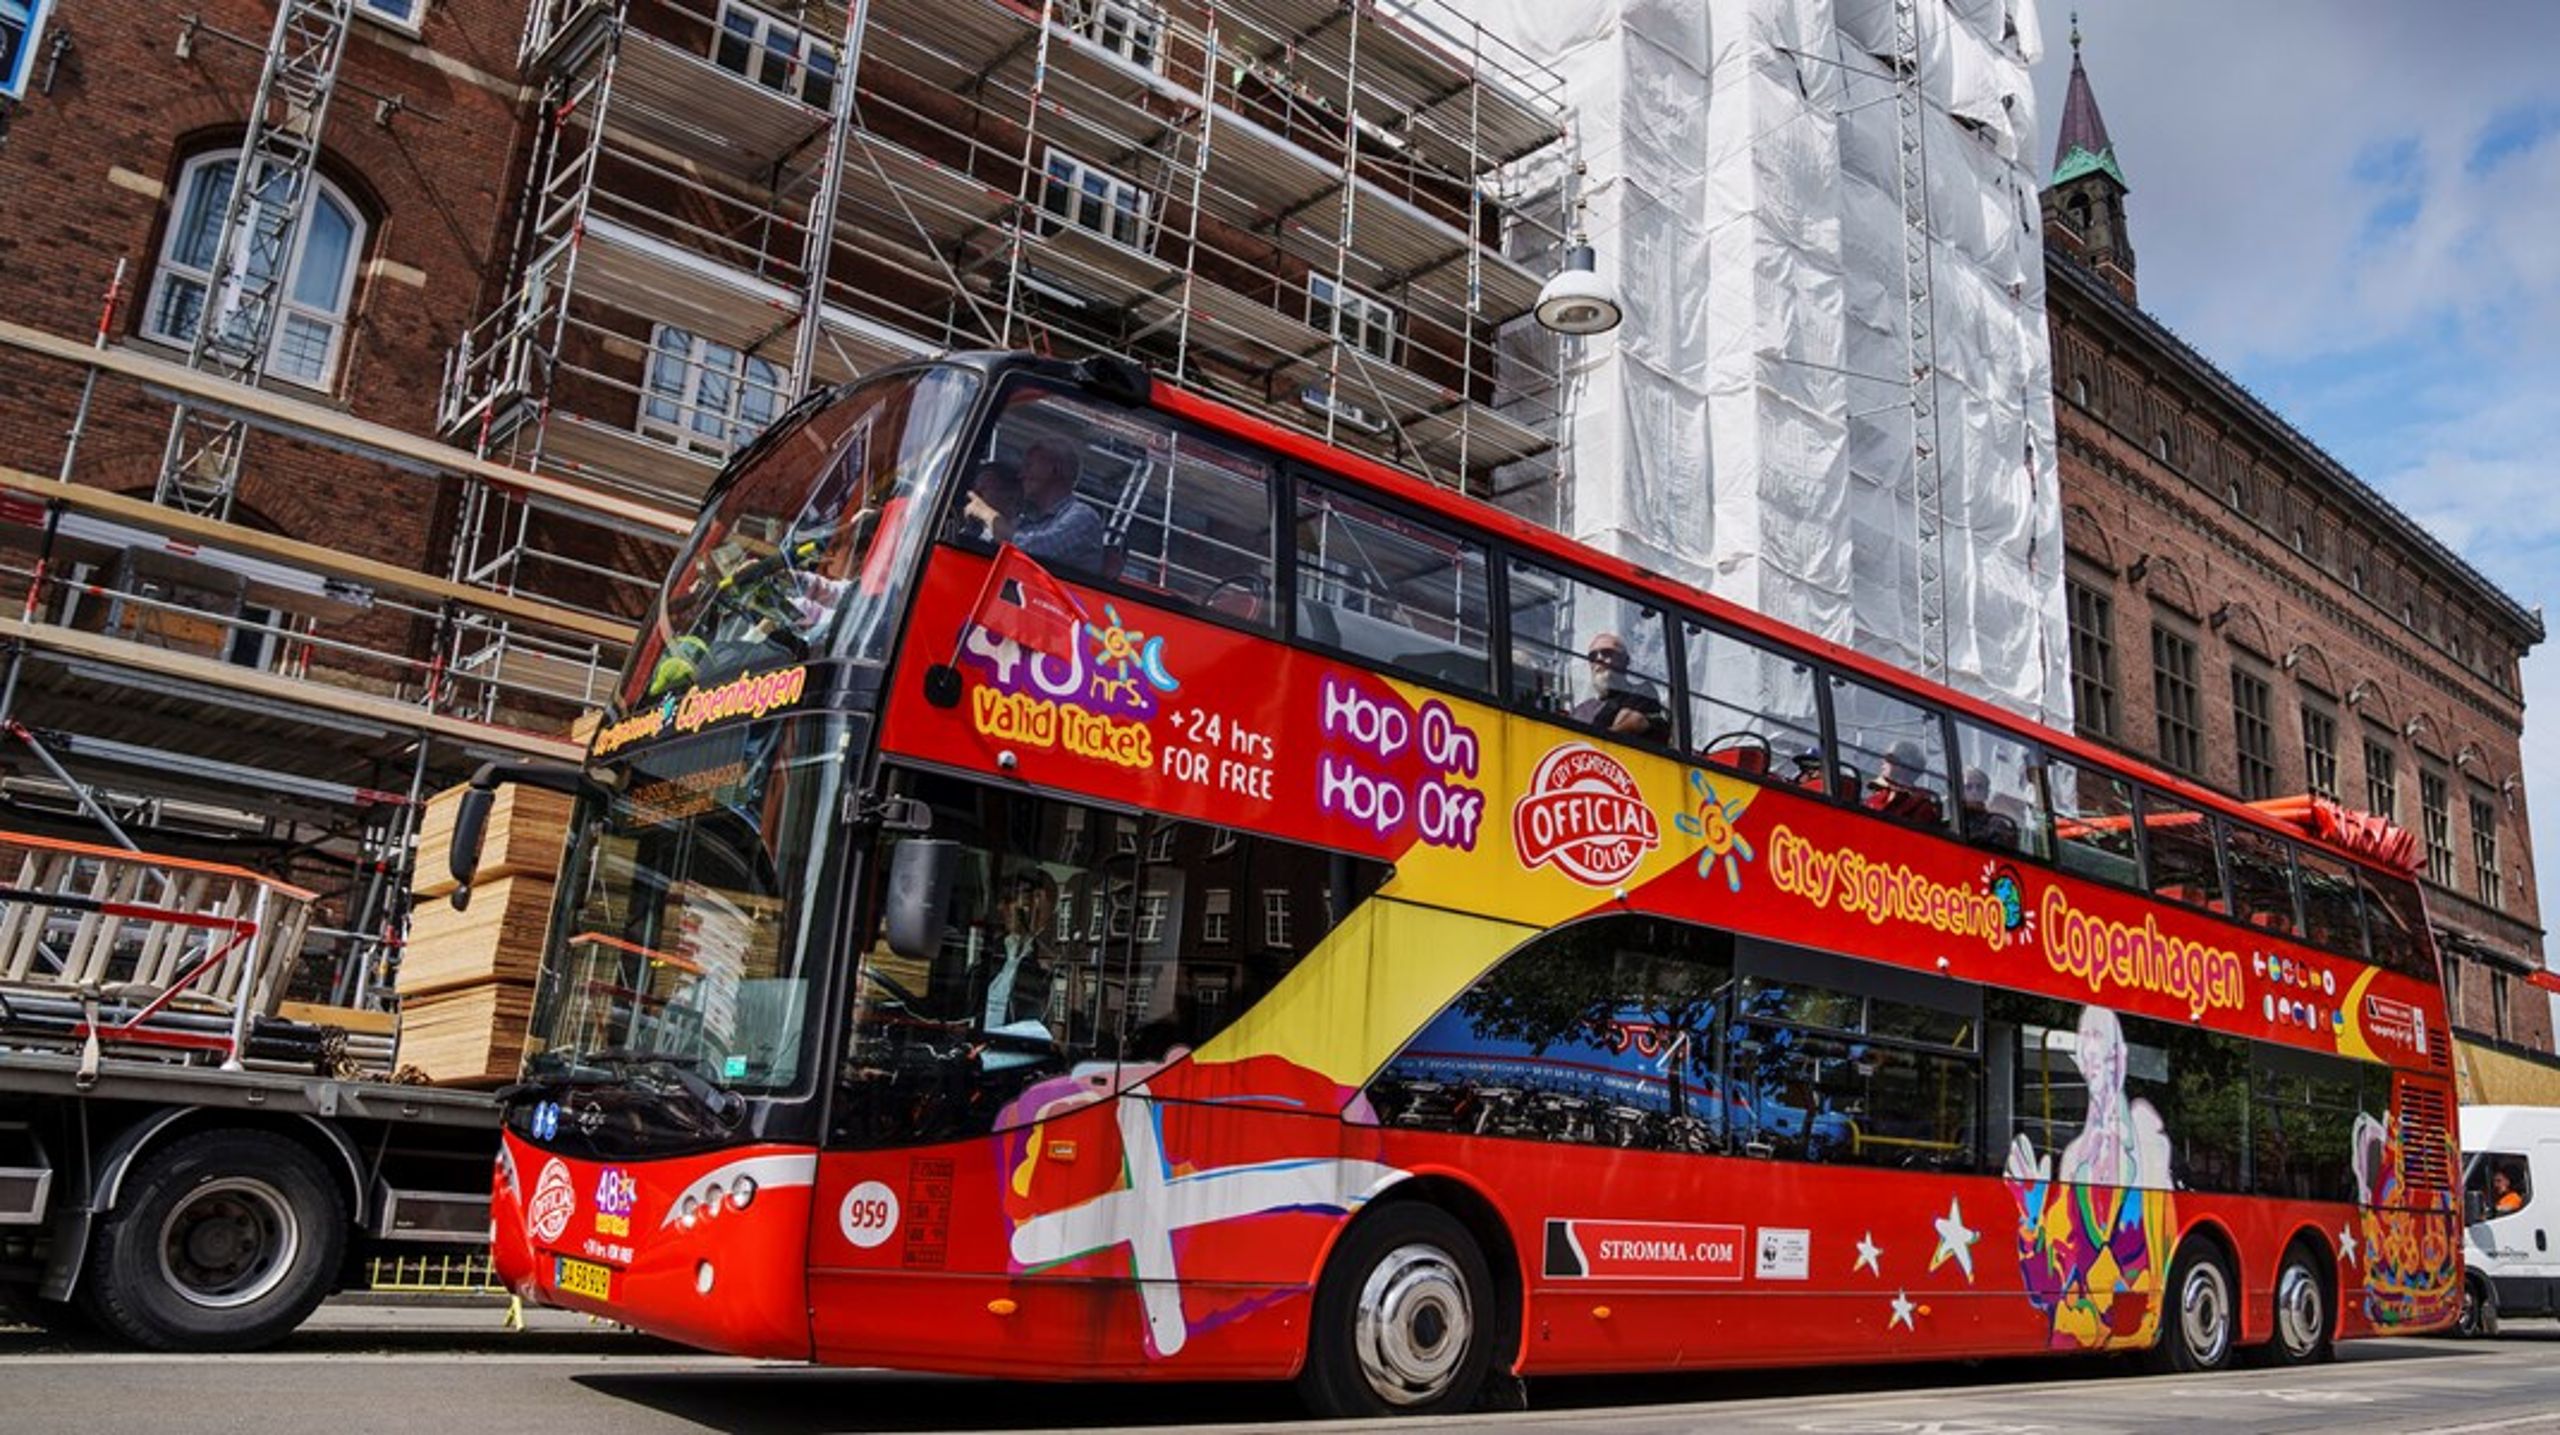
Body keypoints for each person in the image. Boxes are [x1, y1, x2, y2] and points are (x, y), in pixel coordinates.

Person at [1005, 437, 1110, 576]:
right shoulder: (1028, 519)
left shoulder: (1083, 517)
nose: (1021, 475)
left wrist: (989, 517)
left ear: (1055, 470)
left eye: (1029, 466)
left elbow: (1035, 550)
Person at [1572, 632, 1670, 741]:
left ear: (1625, 660)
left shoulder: (1642, 691)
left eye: (1607, 653)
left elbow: (1634, 722)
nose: (1598, 659)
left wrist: (1597, 739)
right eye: (1592, 657)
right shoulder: (1581, 710)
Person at [1865, 740, 1942, 825]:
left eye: (1889, 758)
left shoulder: (1921, 803)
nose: (1883, 761)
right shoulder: (1876, 792)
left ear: (1906, 764)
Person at [1959, 768, 2020, 849]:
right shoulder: (1951, 816)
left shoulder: (1996, 824)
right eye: (1968, 787)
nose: (1974, 792)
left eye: (1979, 787)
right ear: (1960, 791)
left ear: (1987, 793)